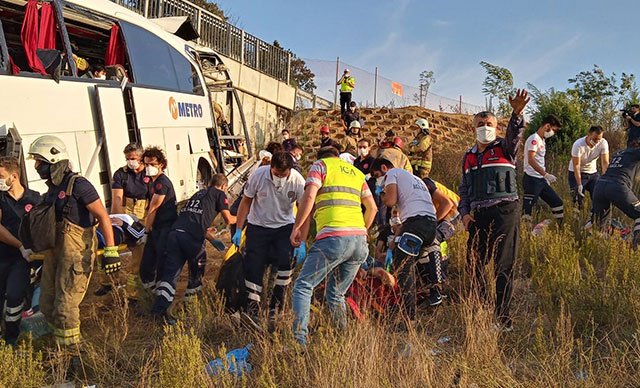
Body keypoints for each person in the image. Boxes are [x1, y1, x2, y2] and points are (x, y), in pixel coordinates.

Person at [26, 135, 118, 346]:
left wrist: (111, 252)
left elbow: (103, 216)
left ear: (53, 159)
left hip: (76, 254)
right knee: (47, 303)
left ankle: (73, 356)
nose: (37, 167)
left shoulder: (78, 185)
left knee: (65, 307)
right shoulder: (52, 190)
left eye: (39, 162)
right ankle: (58, 346)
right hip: (55, 253)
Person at [290, 146, 377, 345]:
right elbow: (372, 208)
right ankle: (343, 339)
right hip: (359, 242)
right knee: (336, 293)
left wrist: (297, 227)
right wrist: (361, 231)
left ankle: (299, 342)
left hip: (333, 238)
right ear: (338, 157)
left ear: (321, 157)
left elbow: (309, 197)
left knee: (303, 286)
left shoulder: (320, 166)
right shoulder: (357, 173)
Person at [458, 89, 529, 331]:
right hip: (478, 216)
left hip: (504, 211)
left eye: (489, 124)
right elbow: (464, 189)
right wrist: (465, 214)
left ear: (496, 128)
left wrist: (516, 113)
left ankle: (503, 318)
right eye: (480, 124)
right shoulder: (468, 157)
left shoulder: (506, 148)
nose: (485, 127)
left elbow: (516, 134)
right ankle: (481, 310)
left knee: (503, 264)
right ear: (473, 128)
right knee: (475, 265)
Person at [234, 152, 306, 328]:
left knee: (285, 264)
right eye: (277, 174)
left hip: (284, 228)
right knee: (253, 267)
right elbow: (246, 202)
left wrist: (301, 239)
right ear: (271, 168)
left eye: (284, 174)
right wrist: (238, 229)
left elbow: (304, 210)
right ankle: (253, 310)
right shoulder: (259, 175)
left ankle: (276, 306)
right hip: (258, 226)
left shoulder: (297, 180)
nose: (280, 178)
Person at [151, 174, 236, 320]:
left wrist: (212, 239)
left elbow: (194, 220)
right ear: (224, 186)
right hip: (191, 240)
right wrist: (243, 218)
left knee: (170, 275)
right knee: (196, 273)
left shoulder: (198, 194)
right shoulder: (220, 194)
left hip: (175, 234)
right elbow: (228, 219)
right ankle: (190, 309)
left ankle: (158, 311)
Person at [370, 158, 437, 328]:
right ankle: (414, 304)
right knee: (405, 261)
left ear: (384, 168)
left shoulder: (392, 173)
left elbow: (390, 201)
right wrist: (392, 246)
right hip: (429, 225)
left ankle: (409, 319)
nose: (379, 181)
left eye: (378, 176)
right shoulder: (415, 179)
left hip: (416, 223)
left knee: (404, 267)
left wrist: (382, 193)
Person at [95, 143, 149, 297]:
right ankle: (108, 283)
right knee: (106, 248)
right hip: (125, 214)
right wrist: (116, 221)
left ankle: (133, 293)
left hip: (142, 216)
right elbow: (117, 198)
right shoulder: (121, 174)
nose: (130, 161)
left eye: (133, 158)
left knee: (138, 256)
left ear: (141, 158)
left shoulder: (148, 174)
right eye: (127, 158)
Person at [0, 157, 41, 344]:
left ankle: (11, 338)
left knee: (15, 295)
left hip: (22, 260)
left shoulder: (34, 198)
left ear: (14, 176)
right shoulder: (1, 199)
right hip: (4, 255)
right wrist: (20, 245)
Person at [138, 147, 177, 293]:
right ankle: (151, 292)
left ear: (161, 164)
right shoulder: (153, 182)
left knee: (161, 261)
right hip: (158, 228)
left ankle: (162, 294)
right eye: (147, 164)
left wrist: (146, 232)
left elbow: (153, 208)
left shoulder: (162, 183)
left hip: (165, 227)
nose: (149, 167)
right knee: (148, 264)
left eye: (152, 164)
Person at [417, 178, 460, 306]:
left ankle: (437, 290)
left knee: (432, 240)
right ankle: (436, 288)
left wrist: (432, 224)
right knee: (426, 243)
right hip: (444, 216)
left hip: (455, 214)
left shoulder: (424, 183)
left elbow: (447, 203)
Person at [592, 138, 640, 248]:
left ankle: (599, 251)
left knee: (600, 225)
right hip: (617, 186)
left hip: (600, 185)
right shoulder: (636, 152)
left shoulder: (618, 153)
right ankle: (636, 248)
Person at [522, 115, 564, 224]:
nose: (553, 133)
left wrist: (544, 178)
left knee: (557, 203)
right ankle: (525, 235)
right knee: (528, 210)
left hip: (541, 180)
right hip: (532, 179)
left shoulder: (542, 140)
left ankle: (559, 228)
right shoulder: (534, 139)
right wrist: (546, 174)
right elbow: (531, 160)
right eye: (553, 130)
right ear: (547, 126)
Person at [568, 126, 609, 209]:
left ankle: (596, 217)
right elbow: (576, 165)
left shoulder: (603, 143)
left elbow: (605, 163)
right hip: (577, 172)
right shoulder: (578, 144)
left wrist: (606, 179)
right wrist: (579, 184)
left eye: (599, 139)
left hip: (593, 173)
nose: (597, 142)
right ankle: (577, 217)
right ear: (588, 135)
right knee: (577, 199)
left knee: (599, 196)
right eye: (594, 139)